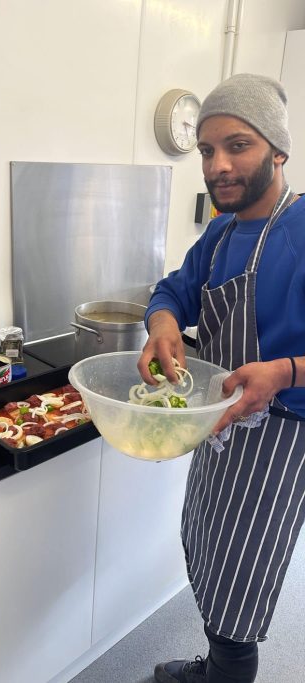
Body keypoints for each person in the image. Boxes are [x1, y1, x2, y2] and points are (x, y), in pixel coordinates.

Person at [138, 73, 305, 683]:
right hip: (220, 428)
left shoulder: (302, 232)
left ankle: (226, 669)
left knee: (241, 588)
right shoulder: (221, 232)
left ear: (279, 150)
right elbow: (171, 292)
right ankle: (211, 668)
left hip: (280, 443)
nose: (218, 166)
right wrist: (162, 325)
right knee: (207, 551)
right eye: (208, 151)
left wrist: (286, 371)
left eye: (239, 146)